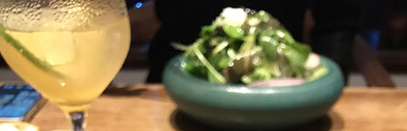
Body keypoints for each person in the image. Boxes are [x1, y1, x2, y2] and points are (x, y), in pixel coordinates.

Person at [147, 1, 362, 83]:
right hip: (173, 85)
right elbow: (164, 10)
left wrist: (327, 88)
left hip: (280, 95)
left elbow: (337, 19)